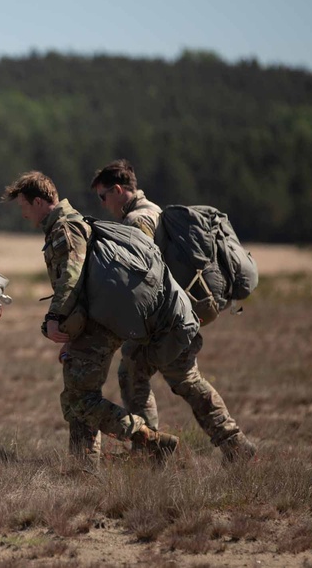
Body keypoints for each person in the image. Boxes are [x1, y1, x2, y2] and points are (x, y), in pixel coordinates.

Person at [1, 170, 180, 468]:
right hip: (91, 325)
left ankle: (150, 440)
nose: (22, 215)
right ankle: (83, 469)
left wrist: (55, 318)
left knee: (80, 401)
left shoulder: (64, 228)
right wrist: (71, 335)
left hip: (97, 326)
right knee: (79, 397)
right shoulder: (66, 224)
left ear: (38, 202)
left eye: (23, 207)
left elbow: (70, 278)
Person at [90, 160, 257, 463]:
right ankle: (233, 445)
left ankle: (151, 449)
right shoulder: (153, 210)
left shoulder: (138, 221)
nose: (103, 205)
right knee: (180, 378)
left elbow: (134, 278)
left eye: (103, 197)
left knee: (137, 373)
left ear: (117, 190)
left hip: (169, 322)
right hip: (179, 318)